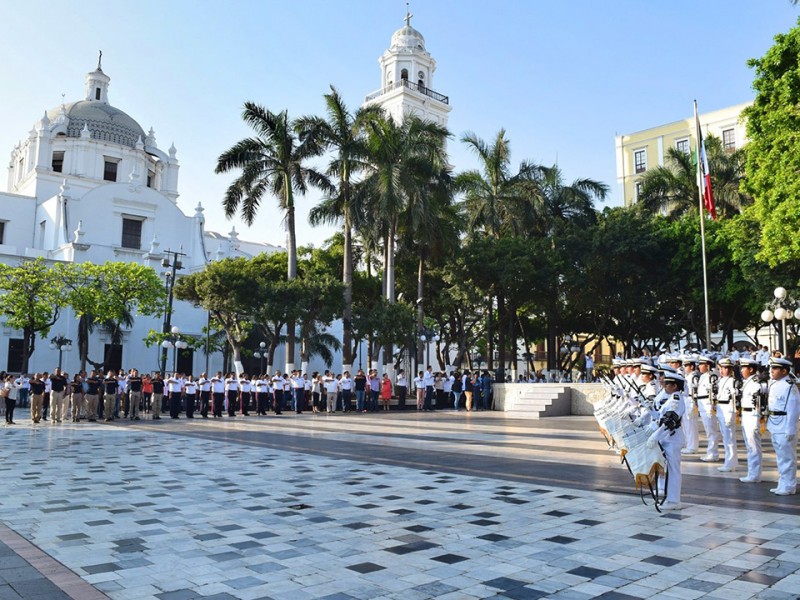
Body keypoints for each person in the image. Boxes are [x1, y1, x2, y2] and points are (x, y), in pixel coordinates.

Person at [645, 371, 686, 510]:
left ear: (674, 386)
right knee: (665, 468)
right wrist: (649, 409)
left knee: (674, 470)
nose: (664, 385)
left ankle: (674, 501)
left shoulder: (676, 400)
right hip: (667, 438)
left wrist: (655, 436)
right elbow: (661, 417)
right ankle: (668, 496)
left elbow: (670, 421)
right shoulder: (671, 398)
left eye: (667, 383)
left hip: (672, 439)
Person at [766, 357, 799, 495]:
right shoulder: (774, 384)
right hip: (775, 423)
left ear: (784, 371)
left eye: (775, 368)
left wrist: (791, 428)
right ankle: (782, 483)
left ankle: (790, 485)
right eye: (772, 368)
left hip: (785, 424)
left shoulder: (789, 386)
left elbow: (794, 408)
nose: (771, 371)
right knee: (780, 457)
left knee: (788, 457)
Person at [738, 357, 766, 483]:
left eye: (744, 368)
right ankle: (752, 472)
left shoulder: (755, 383)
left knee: (753, 446)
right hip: (746, 414)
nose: (741, 370)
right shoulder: (748, 381)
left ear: (751, 369)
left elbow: (759, 403)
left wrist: (757, 420)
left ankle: (754, 474)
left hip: (752, 415)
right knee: (750, 446)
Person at [715, 357, 739, 473]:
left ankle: (731, 462)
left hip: (727, 408)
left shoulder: (732, 381)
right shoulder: (720, 380)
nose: (722, 371)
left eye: (724, 368)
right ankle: (728, 461)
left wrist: (731, 413)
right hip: (720, 408)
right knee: (725, 437)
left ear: (730, 369)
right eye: (721, 368)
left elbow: (734, 399)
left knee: (729, 438)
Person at [696, 356, 721, 462]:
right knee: (708, 429)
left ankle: (713, 453)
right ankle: (710, 451)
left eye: (701, 364)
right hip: (702, 403)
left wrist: (712, 406)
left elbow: (714, 392)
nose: (699, 366)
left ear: (707, 366)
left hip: (708, 404)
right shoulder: (702, 376)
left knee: (711, 430)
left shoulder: (712, 376)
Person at [681, 356, 701, 454]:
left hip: (691, 400)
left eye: (686, 365)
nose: (685, 367)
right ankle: (689, 444)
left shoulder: (694, 376)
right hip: (686, 400)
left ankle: (692, 446)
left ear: (692, 366)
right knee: (686, 425)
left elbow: (696, 390)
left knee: (691, 425)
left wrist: (694, 403)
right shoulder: (688, 376)